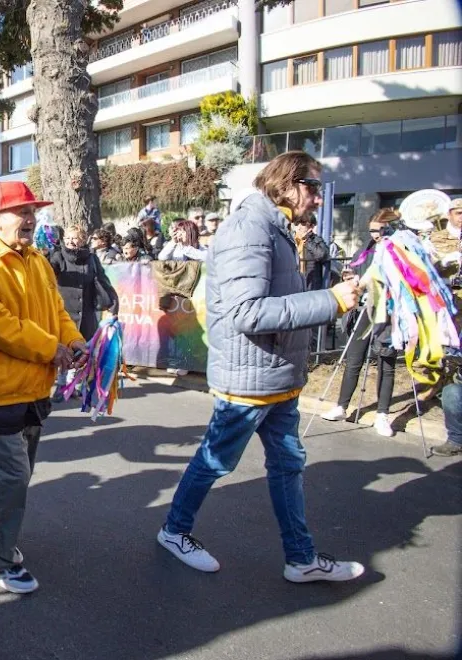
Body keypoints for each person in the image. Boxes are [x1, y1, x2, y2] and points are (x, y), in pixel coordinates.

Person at [157, 151, 365, 583]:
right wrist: (331, 300)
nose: (318, 198)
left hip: (277, 376)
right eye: (312, 187)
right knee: (215, 462)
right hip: (248, 379)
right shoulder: (248, 228)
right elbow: (248, 313)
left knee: (288, 465)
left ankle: (301, 559)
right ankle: (174, 531)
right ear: (286, 185)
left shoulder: (273, 226)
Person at [0, 181, 87, 595]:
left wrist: (74, 339)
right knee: (10, 479)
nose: (30, 218)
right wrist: (53, 350)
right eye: (20, 211)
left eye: (32, 210)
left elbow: (56, 310)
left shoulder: (37, 261)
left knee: (12, 479)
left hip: (32, 391)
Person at [321, 209, 401, 437]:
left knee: (386, 361)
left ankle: (382, 414)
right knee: (354, 357)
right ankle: (342, 406)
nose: (375, 235)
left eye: (379, 230)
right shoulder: (368, 248)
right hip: (366, 309)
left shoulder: (399, 249)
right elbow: (357, 268)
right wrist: (351, 276)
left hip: (389, 312)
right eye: (372, 230)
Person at [50, 224, 119, 402]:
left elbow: (103, 280)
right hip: (65, 313)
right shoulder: (58, 257)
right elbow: (48, 274)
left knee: (84, 351)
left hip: (87, 313)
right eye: (68, 238)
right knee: (64, 350)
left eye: (75, 238)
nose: (71, 241)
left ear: (83, 239)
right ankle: (61, 385)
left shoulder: (92, 259)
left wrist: (113, 302)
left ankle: (76, 385)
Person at [293, 215, 329, 291]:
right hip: (295, 281)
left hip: (311, 283)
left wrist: (306, 241)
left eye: (303, 224)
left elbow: (322, 255)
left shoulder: (315, 239)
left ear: (311, 226)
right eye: (297, 224)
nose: (299, 227)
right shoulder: (293, 239)